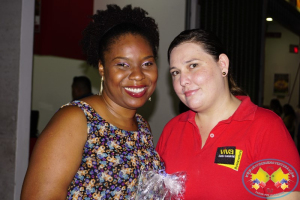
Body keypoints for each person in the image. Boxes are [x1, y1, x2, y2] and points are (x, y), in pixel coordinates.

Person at [21, 5, 164, 200]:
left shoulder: (143, 128)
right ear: (102, 68)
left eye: (147, 63)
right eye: (123, 64)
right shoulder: (76, 120)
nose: (138, 75)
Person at [156, 29, 300, 199]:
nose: (182, 81)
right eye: (175, 72)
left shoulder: (265, 128)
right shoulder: (172, 130)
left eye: (193, 65)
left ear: (222, 64)